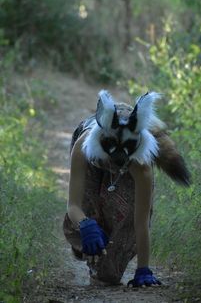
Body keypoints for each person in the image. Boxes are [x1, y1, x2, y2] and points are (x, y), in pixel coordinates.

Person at [63, 90, 190, 287]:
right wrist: (85, 225)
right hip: (94, 158)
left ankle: (103, 254)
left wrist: (143, 269)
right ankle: (84, 244)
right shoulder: (84, 146)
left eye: (124, 150)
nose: (119, 156)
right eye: (113, 147)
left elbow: (140, 222)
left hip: (131, 160)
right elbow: (73, 205)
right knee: (85, 219)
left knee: (107, 277)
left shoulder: (141, 164)